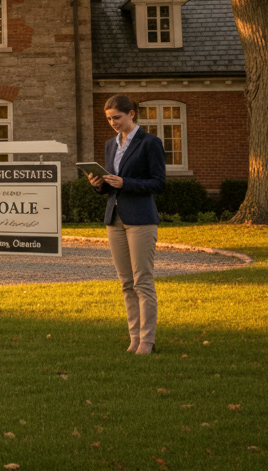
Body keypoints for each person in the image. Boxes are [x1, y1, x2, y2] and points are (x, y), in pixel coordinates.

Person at [85, 94, 167, 355]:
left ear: (132, 114)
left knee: (142, 280)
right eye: (109, 119)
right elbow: (112, 185)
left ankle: (147, 341)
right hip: (115, 219)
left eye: (117, 117)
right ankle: (134, 338)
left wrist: (127, 183)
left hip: (141, 219)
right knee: (125, 282)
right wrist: (98, 185)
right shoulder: (111, 144)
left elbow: (159, 183)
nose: (113, 123)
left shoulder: (150, 143)